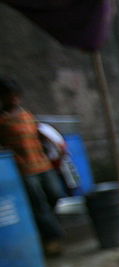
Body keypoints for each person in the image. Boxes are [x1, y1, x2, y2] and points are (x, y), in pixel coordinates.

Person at [0, 76, 65, 256]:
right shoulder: (2, 121)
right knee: (39, 204)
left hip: (43, 163)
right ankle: (53, 238)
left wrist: (52, 143)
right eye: (9, 95)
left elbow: (38, 134)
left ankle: (47, 228)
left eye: (16, 95)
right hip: (24, 169)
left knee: (55, 193)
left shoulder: (27, 115)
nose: (14, 99)